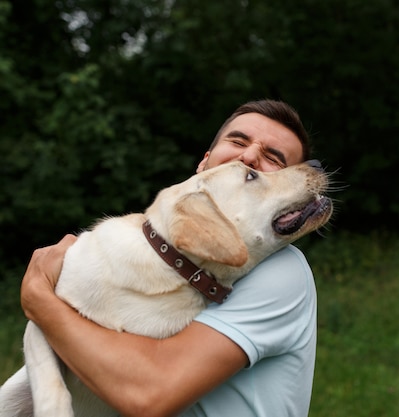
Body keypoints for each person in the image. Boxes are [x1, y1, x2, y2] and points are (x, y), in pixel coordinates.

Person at [20, 100, 318, 417]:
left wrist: (40, 300)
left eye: (274, 159)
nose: (249, 156)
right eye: (237, 141)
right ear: (204, 163)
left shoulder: (281, 271)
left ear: (292, 194)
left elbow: (149, 393)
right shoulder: (135, 256)